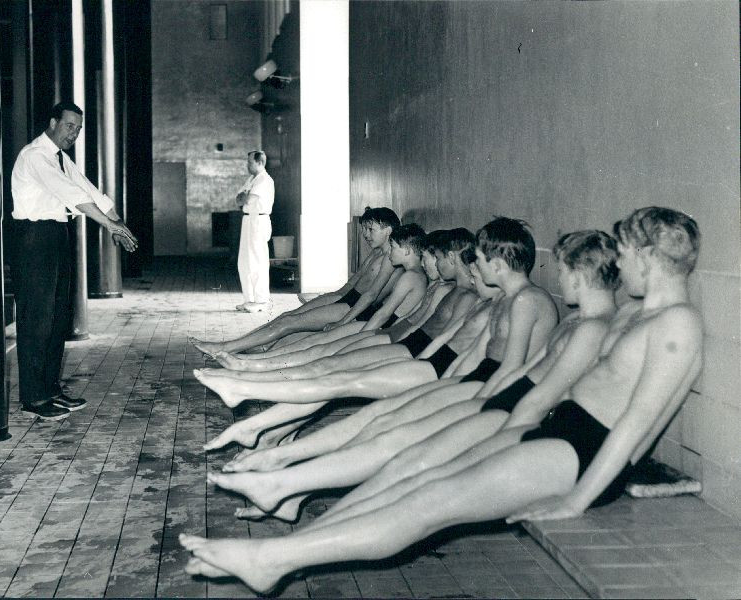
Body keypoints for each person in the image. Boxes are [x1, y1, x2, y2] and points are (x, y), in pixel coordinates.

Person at [180, 207, 704, 593]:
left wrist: (577, 498)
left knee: (431, 502)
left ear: (650, 257)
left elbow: (636, 423)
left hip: (584, 448)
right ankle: (287, 529)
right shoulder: (638, 314)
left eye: (629, 252)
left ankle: (274, 557)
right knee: (420, 478)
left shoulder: (676, 322)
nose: (622, 262)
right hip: (555, 431)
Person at [204, 230, 622, 522]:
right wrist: (451, 386)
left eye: (475, 262)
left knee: (380, 427)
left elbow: (515, 371)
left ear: (496, 261)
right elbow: (473, 351)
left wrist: (477, 401)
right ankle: (276, 454)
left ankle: (271, 444)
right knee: (366, 411)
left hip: (489, 392)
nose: (469, 269)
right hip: (465, 379)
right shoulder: (508, 301)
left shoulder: (532, 303)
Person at [194, 217, 557, 408]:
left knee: (326, 364)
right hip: (410, 346)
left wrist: (351, 325)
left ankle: (251, 375)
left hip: (403, 342)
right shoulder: (465, 291)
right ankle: (249, 369)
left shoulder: (500, 298)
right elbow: (436, 334)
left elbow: (391, 314)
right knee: (318, 358)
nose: (367, 235)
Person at [11, 101, 137, 421]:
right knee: (37, 319)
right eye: (69, 126)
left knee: (56, 318)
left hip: (56, 236)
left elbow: (91, 192)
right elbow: (72, 196)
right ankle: (34, 399)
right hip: (34, 239)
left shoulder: (62, 160)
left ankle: (50, 390)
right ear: (52, 122)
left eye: (78, 129)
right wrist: (109, 226)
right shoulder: (35, 156)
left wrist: (118, 224)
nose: (74, 134)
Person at [191, 208, 401, 355]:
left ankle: (227, 348)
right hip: (347, 298)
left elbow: (371, 295)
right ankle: (234, 346)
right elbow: (350, 285)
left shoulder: (390, 260)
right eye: (364, 229)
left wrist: (343, 321)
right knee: (287, 316)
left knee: (289, 323)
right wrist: (327, 298)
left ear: (388, 230)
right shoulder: (376, 254)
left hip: (356, 307)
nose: (365, 235)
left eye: (371, 230)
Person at [235, 150, 275, 313]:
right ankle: (249, 299)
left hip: (259, 220)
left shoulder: (264, 180)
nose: (247, 165)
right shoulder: (252, 179)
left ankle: (261, 300)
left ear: (260, 162)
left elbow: (247, 199)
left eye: (250, 162)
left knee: (257, 261)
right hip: (248, 219)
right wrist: (243, 197)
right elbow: (239, 199)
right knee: (244, 262)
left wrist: (244, 197)